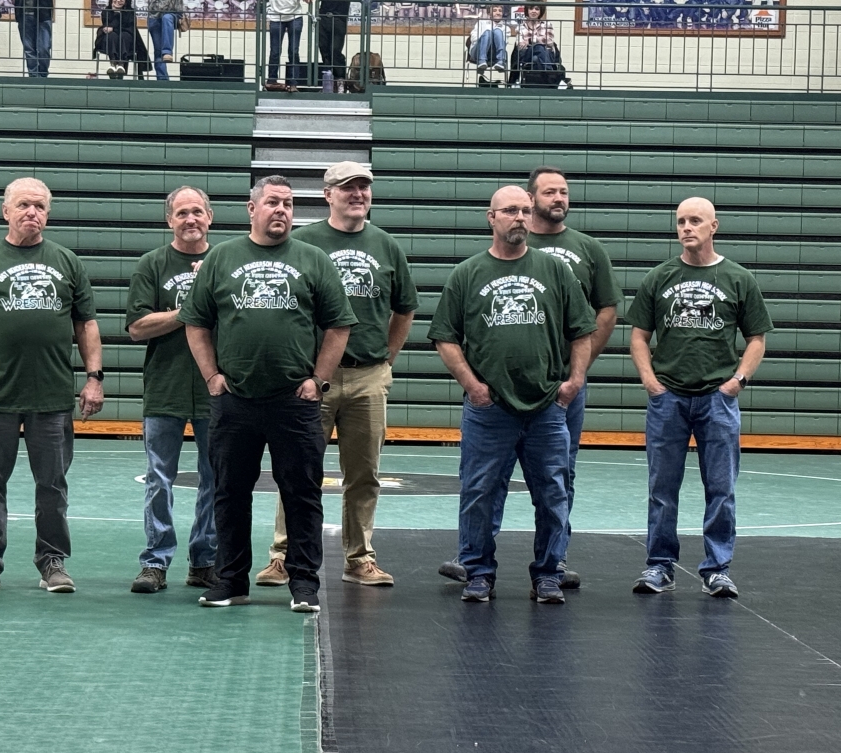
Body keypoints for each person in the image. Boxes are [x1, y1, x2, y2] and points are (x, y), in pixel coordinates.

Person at [179, 175, 357, 612]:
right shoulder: (222, 258)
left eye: (289, 204)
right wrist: (211, 378)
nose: (282, 210)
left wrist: (318, 379)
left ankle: (304, 584)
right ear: (251, 208)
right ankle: (231, 580)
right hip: (234, 398)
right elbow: (196, 322)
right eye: (274, 202)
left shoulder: (313, 259)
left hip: (293, 400)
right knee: (229, 493)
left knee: (302, 493)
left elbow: (339, 324)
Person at [438, 166, 621, 589]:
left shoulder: (556, 271)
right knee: (480, 493)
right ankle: (478, 573)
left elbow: (583, 329)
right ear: (492, 217)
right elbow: (445, 338)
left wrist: (574, 382)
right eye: (510, 211)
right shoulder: (467, 273)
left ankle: (549, 573)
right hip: (490, 408)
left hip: (547, 405)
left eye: (524, 210)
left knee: (554, 493)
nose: (519, 217)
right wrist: (474, 387)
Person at [255, 162, 418, 589]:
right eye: (348, 189)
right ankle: (283, 556)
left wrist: (387, 358)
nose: (358, 195)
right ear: (328, 195)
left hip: (368, 376)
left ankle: (359, 557)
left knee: (364, 473)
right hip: (314, 378)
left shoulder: (387, 246)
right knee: (296, 469)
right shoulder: (303, 242)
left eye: (364, 188)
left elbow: (405, 308)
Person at [0, 177, 104, 594]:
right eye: (23, 205)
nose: (32, 212)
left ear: (48, 214)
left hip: (51, 398)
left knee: (52, 485)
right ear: (6, 211)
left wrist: (94, 378)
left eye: (39, 206)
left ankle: (52, 561)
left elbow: (86, 324)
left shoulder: (67, 262)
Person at [627, 197, 772, 598]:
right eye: (680, 221)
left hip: (717, 399)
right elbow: (638, 336)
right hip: (668, 398)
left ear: (714, 226)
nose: (686, 227)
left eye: (695, 221)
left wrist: (737, 381)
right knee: (662, 487)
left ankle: (717, 568)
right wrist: (650, 381)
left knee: (721, 487)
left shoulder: (739, 278)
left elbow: (757, 338)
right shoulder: (659, 277)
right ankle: (659, 566)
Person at [125, 186, 218, 594]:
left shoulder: (226, 261)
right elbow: (136, 327)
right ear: (170, 221)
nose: (190, 219)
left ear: (210, 217)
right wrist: (188, 309)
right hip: (165, 388)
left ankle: (205, 560)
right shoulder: (152, 264)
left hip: (215, 387)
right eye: (181, 213)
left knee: (216, 478)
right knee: (158, 478)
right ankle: (155, 562)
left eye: (197, 211)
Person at [93, 0, 151, 79]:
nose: (118, 1)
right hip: (109, 43)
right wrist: (115, 13)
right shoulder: (106, 11)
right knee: (112, 35)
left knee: (124, 35)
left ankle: (121, 64)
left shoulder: (130, 12)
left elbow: (128, 28)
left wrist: (115, 24)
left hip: (128, 44)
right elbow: (107, 26)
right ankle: (113, 63)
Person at [265, 0, 310, 91]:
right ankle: (272, 80)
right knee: (275, 51)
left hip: (295, 16)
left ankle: (293, 83)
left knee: (293, 51)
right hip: (276, 17)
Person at [468, 4, 514, 79]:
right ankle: (482, 60)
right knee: (488, 33)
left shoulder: (506, 28)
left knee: (498, 32)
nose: (498, 13)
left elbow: (503, 43)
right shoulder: (481, 23)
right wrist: (486, 38)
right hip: (478, 52)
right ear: (489, 13)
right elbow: (473, 38)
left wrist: (494, 34)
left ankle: (500, 61)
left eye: (500, 11)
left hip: (494, 54)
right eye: (495, 11)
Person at [14, 0, 54, 77]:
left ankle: (43, 74)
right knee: (29, 49)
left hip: (43, 14)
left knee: (44, 48)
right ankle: (33, 75)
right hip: (24, 14)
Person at [147, 0, 184, 81]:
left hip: (172, 14)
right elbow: (151, 6)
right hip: (154, 17)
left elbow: (178, 7)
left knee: (167, 17)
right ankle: (162, 79)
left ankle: (167, 52)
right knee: (158, 51)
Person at [317, 0, 349, 90]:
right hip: (323, 16)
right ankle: (328, 82)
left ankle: (340, 80)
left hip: (339, 17)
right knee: (323, 48)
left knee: (335, 50)